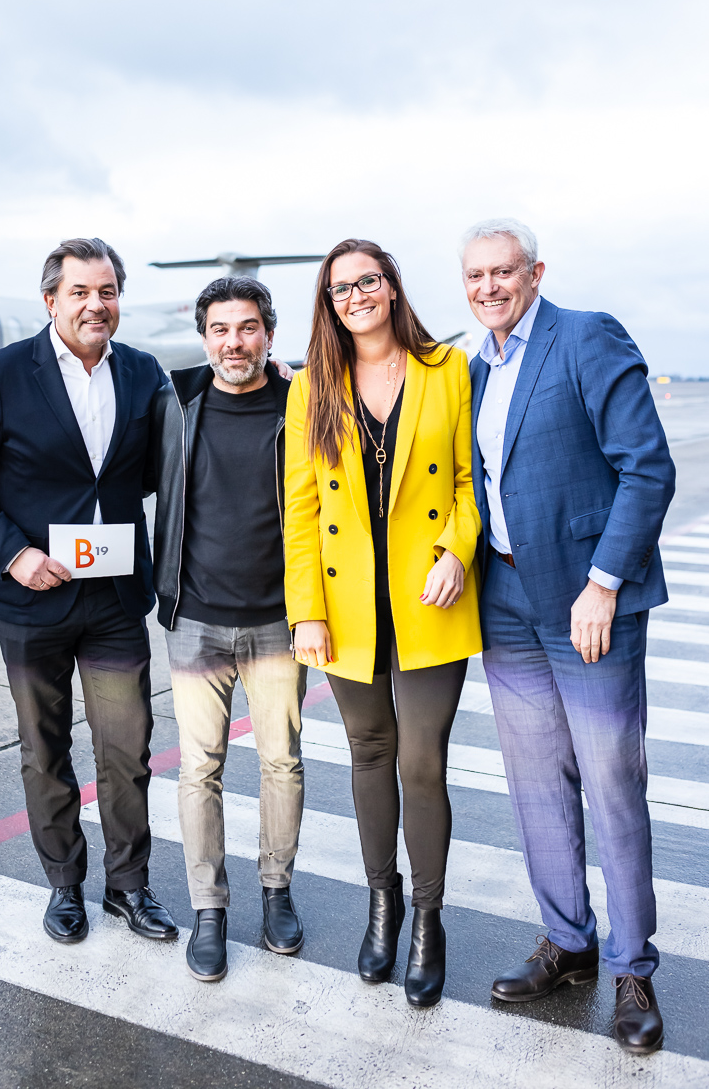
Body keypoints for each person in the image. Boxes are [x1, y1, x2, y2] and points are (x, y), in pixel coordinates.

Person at [460, 217, 675, 1055]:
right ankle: (569, 941)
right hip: (507, 599)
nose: (488, 288)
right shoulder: (474, 369)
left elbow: (646, 466)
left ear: (535, 272)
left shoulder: (586, 338)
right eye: (475, 276)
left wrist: (605, 583)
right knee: (536, 785)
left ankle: (632, 966)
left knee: (612, 782)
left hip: (590, 604)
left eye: (503, 272)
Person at [0, 237, 177, 949]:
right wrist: (15, 554)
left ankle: (128, 887)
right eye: (80, 292)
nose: (96, 305)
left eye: (107, 292)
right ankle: (65, 885)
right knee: (45, 748)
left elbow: (158, 465)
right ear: (51, 300)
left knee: (126, 748)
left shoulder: (143, 372)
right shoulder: (5, 373)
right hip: (32, 596)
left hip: (114, 599)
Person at [284, 238, 482, 1007]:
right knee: (369, 753)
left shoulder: (446, 369)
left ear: (392, 287)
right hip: (347, 608)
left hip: (429, 597)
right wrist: (307, 611)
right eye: (341, 289)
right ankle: (383, 904)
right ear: (329, 304)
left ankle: (429, 919)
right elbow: (301, 513)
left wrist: (456, 550)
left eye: (368, 281)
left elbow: (467, 481)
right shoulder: (312, 387)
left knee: (422, 761)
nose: (356, 296)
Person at [150, 275, 305, 982]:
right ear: (204, 337)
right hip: (196, 619)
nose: (233, 342)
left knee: (282, 763)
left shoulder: (300, 402)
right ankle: (208, 908)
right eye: (220, 329)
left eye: (247, 328)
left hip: (279, 620)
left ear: (268, 334)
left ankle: (277, 892)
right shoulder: (175, 404)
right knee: (199, 768)